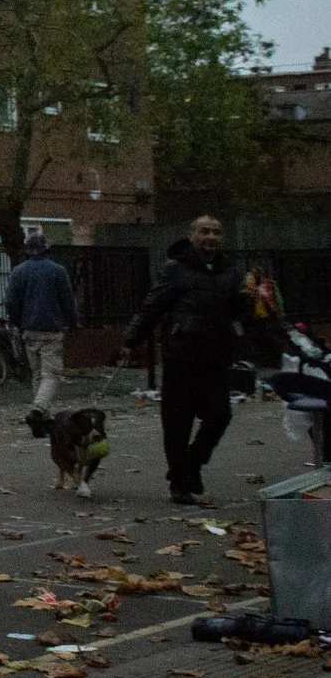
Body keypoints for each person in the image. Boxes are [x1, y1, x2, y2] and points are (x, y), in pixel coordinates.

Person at [121, 214, 243, 506]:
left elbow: (237, 311)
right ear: (192, 236)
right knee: (178, 422)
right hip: (182, 355)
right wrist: (130, 341)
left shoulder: (230, 272)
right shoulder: (176, 268)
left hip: (215, 356)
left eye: (216, 232)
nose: (211, 237)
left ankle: (192, 464)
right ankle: (180, 484)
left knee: (220, 415)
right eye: (205, 232)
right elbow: (153, 305)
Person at [5, 231, 77, 418]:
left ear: (28, 251)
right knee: (51, 375)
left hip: (29, 329)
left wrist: (17, 323)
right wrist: (73, 323)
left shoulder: (18, 271)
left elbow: (11, 302)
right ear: (46, 250)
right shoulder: (57, 271)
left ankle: (42, 417)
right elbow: (67, 300)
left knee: (37, 373)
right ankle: (39, 409)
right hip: (52, 329)